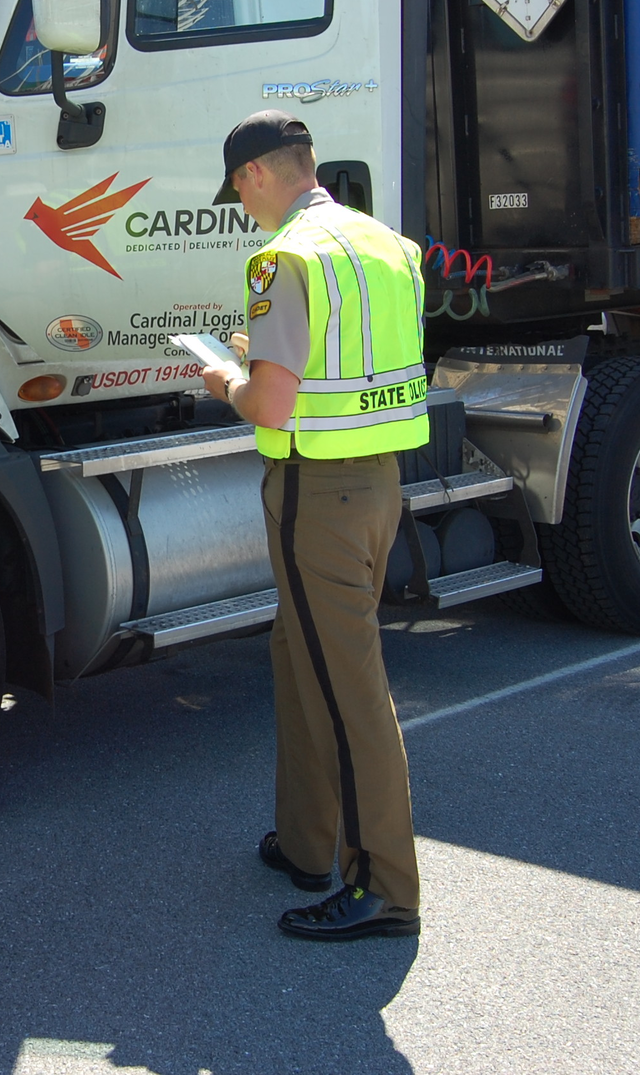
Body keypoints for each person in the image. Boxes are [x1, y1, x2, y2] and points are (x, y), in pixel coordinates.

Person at [199, 111, 429, 942]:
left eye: (236, 188)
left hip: (315, 492)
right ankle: (306, 842)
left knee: (346, 688)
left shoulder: (281, 258)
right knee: (301, 655)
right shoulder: (385, 246)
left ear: (257, 173)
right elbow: (348, 362)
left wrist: (224, 376)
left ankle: (384, 888)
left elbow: (271, 404)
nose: (238, 204)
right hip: (376, 486)